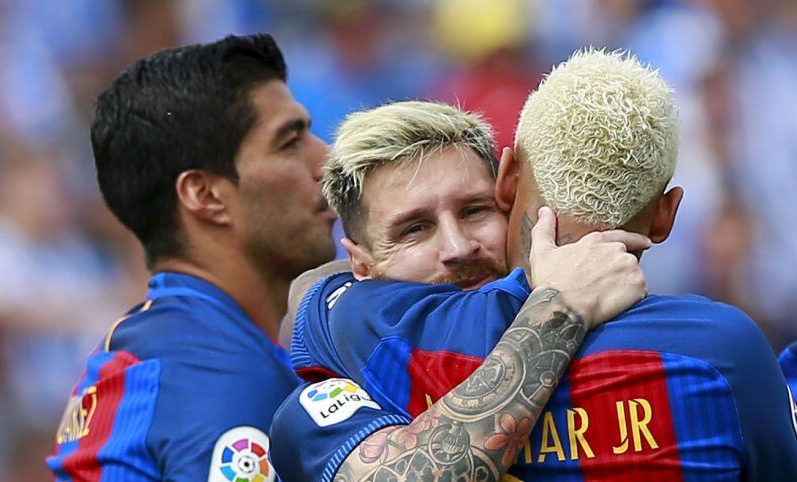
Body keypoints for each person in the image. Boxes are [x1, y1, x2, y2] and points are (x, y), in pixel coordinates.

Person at [270, 50, 797, 481]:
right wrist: (558, 306)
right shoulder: (331, 394)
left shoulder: (343, 324)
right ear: (360, 266)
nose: (458, 246)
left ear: (506, 190)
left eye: (473, 211)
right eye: (414, 229)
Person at [46, 34, 338, 481]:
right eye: (289, 142)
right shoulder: (218, 374)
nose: (327, 159)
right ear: (205, 195)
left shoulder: (167, 349)